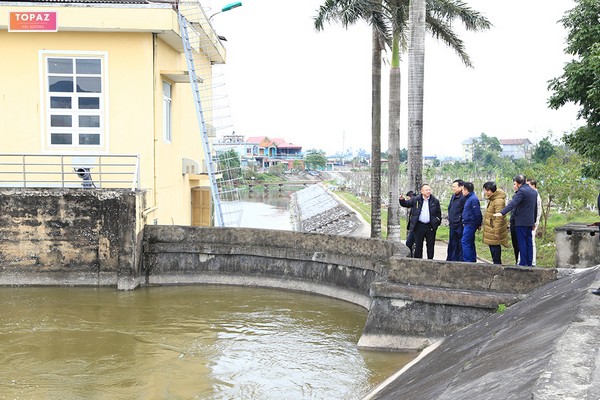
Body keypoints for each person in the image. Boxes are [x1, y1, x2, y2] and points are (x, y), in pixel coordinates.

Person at [493, 174, 538, 267]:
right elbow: (535, 208)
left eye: (514, 184)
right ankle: (529, 262)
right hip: (529, 221)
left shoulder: (521, 191)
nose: (514, 186)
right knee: (528, 242)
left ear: (518, 183)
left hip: (521, 221)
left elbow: (513, 203)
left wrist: (502, 212)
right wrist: (533, 221)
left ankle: (523, 262)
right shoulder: (533, 191)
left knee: (521, 242)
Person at [399, 184, 442, 259]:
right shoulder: (416, 199)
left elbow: (438, 213)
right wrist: (402, 200)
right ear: (422, 191)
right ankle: (418, 261)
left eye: (429, 190)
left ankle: (430, 261)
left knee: (430, 245)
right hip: (419, 226)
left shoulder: (435, 201)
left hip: (430, 226)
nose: (428, 191)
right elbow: (406, 204)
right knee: (418, 246)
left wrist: (436, 221)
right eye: (426, 190)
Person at [482, 181, 509, 264]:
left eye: (485, 190)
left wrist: (496, 231)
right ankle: (496, 265)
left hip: (494, 229)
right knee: (493, 249)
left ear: (489, 190)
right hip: (491, 228)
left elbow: (499, 217)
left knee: (495, 249)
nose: (484, 192)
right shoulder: (493, 199)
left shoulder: (498, 201)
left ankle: (497, 267)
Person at [461, 182, 482, 262]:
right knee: (470, 242)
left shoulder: (473, 199)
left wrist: (478, 223)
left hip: (471, 223)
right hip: (468, 223)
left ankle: (468, 260)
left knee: (465, 241)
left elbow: (477, 213)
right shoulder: (469, 199)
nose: (462, 192)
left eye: (463, 190)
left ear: (466, 190)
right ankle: (472, 259)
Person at [446, 179, 465, 261]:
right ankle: (451, 259)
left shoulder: (464, 197)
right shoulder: (454, 196)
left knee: (460, 244)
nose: (453, 188)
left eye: (454, 187)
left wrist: (460, 220)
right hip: (452, 224)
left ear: (461, 187)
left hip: (460, 224)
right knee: (452, 243)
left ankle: (459, 261)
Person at [527, 178, 542, 265]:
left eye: (528, 185)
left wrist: (535, 223)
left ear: (533, 186)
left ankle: (532, 262)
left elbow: (537, 211)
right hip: (530, 221)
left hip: (532, 222)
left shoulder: (535, 195)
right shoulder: (532, 194)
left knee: (531, 242)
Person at [404, 190, 416, 257]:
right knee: (409, 243)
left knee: (409, 243)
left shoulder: (414, 201)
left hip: (416, 227)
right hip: (412, 227)